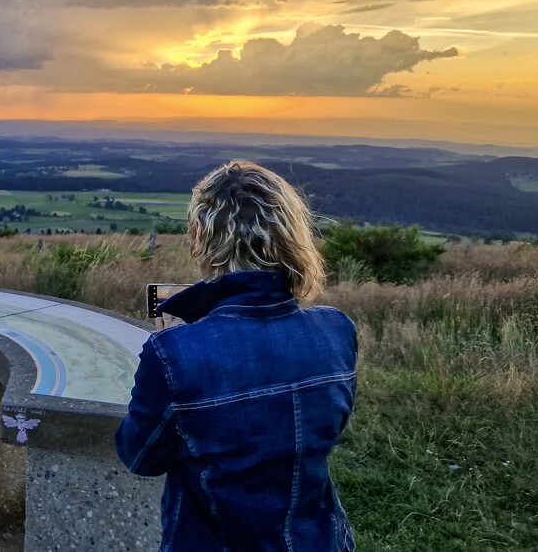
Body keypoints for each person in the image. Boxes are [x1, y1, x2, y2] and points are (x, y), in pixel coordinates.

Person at [115, 160, 358, 551]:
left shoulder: (173, 353)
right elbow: (324, 427)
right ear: (292, 235)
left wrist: (174, 345)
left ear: (202, 236)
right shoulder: (336, 330)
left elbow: (140, 456)